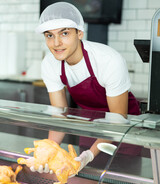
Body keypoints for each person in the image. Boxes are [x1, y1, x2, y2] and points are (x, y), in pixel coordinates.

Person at [32, 2, 140, 173]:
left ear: (79, 33)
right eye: (49, 35)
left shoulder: (108, 60)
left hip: (125, 135)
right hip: (90, 128)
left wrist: (90, 154)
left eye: (64, 33)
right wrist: (48, 152)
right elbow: (59, 116)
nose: (56, 43)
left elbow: (118, 120)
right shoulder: (49, 63)